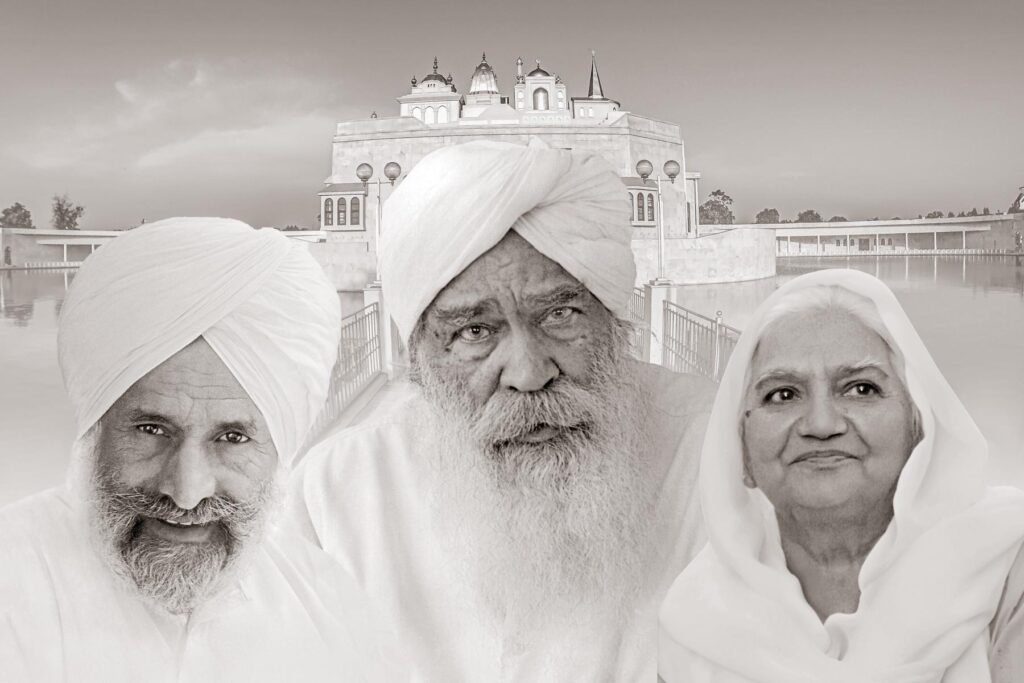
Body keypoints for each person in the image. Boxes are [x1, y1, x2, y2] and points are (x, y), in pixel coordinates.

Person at [287, 139, 717, 681]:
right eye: (474, 331)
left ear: (615, 324)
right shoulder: (335, 493)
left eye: (560, 314)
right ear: (418, 361)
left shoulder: (715, 453)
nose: (529, 373)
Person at [0, 218, 404, 683]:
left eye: (233, 439)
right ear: (94, 433)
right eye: (152, 429)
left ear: (280, 452)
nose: (187, 492)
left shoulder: (331, 609)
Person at [659, 268, 1024, 682]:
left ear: (918, 424)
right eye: (783, 394)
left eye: (860, 389)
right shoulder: (694, 628)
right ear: (739, 446)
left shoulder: (1005, 573)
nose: (821, 423)